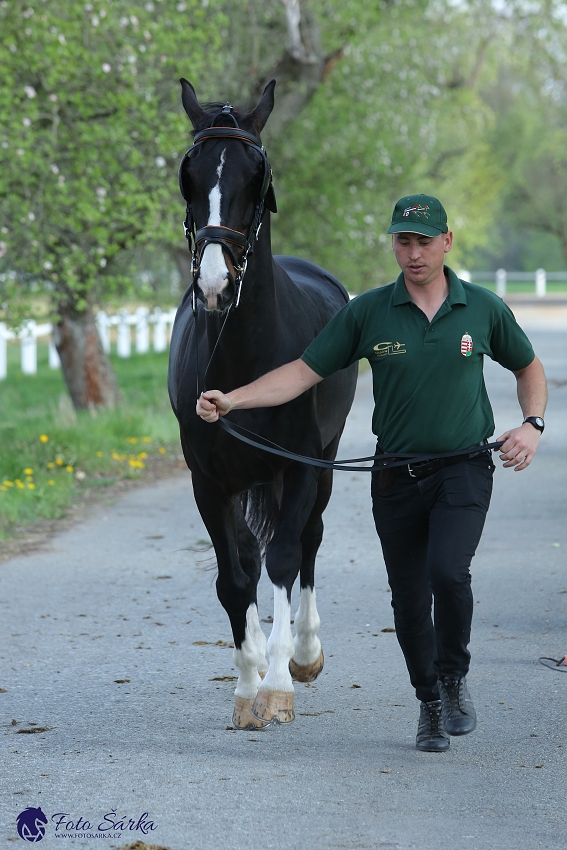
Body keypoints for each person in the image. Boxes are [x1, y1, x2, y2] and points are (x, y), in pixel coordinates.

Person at [196, 194, 548, 752]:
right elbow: (301, 373)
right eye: (403, 241)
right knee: (408, 599)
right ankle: (429, 705)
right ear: (393, 244)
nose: (413, 253)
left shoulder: (482, 308)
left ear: (447, 242)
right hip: (394, 476)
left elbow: (528, 366)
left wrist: (531, 424)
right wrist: (232, 400)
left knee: (448, 574)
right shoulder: (367, 313)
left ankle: (454, 679)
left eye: (424, 241)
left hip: (463, 468)